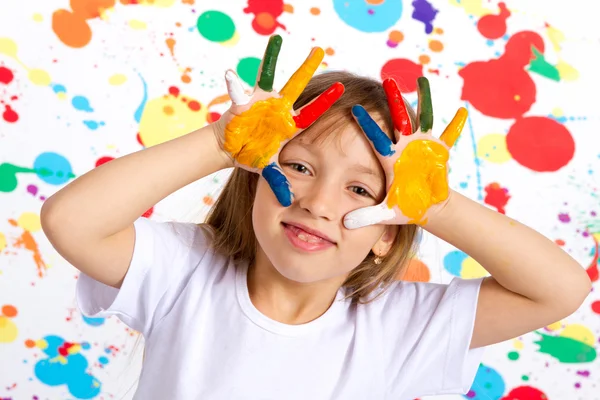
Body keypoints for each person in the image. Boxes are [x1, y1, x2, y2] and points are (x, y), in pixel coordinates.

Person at [40, 35, 591, 399]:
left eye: (359, 188)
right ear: (254, 173)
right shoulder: (182, 272)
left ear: (387, 233)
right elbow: (71, 221)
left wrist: (437, 205)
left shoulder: (399, 325)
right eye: (299, 167)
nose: (318, 203)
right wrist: (220, 142)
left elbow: (559, 290)